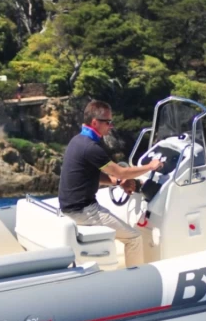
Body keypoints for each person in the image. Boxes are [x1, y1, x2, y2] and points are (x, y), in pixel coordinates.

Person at [59, 100, 162, 267]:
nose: (111, 126)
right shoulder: (91, 147)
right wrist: (151, 166)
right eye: (107, 122)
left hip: (69, 208)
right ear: (94, 122)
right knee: (134, 238)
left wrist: (116, 182)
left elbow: (91, 174)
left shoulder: (77, 141)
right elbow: (119, 171)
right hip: (85, 211)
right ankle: (136, 281)